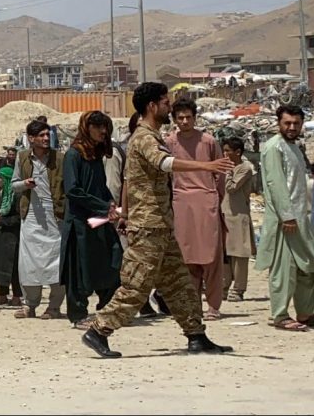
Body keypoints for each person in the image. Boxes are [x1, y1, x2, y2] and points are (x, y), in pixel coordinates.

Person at [82, 82, 234, 359]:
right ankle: (98, 330)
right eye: (165, 103)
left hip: (161, 226)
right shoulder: (143, 137)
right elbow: (164, 163)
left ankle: (196, 335)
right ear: (152, 106)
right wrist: (206, 166)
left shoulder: (152, 135)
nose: (169, 107)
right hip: (147, 227)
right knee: (137, 285)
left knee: (180, 284)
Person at [60, 111, 123, 328]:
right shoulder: (74, 155)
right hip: (80, 223)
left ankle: (106, 310)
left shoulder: (95, 155)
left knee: (113, 261)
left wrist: (110, 203)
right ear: (87, 128)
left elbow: (100, 186)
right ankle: (78, 315)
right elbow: (72, 190)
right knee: (79, 270)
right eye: (97, 127)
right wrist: (103, 206)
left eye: (104, 127)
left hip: (99, 221)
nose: (102, 131)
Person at [167, 98, 227, 320]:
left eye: (188, 117)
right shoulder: (169, 143)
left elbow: (220, 172)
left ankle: (213, 305)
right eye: (180, 118)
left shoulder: (208, 141)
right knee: (187, 257)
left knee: (211, 256)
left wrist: (216, 197)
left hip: (206, 200)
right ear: (174, 119)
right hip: (181, 203)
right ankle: (193, 305)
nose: (185, 121)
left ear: (195, 117)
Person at [257, 105, 314, 332]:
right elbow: (276, 184)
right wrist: (287, 216)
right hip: (286, 221)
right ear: (278, 123)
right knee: (284, 269)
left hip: (301, 219)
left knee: (307, 267)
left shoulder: (294, 147)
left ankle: (305, 312)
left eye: (296, 123)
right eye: (287, 123)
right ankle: (280, 315)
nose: (291, 127)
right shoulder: (274, 147)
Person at [12, 120, 66, 320]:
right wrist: (25, 184)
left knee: (56, 262)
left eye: (47, 134)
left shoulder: (59, 158)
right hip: (31, 216)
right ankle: (30, 304)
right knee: (29, 263)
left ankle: (54, 307)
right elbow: (14, 184)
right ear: (31, 138)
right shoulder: (22, 158)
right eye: (41, 135)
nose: (45, 138)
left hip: (55, 217)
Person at [220, 137, 255, 302]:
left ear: (238, 152)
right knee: (225, 254)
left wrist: (227, 171)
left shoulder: (245, 168)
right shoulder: (226, 167)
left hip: (239, 216)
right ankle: (223, 287)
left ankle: (238, 289)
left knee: (240, 254)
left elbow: (231, 187)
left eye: (228, 151)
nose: (225, 154)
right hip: (224, 214)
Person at [0, 164, 23, 307]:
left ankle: (16, 297)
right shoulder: (3, 194)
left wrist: (1, 220)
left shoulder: (17, 196)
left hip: (13, 237)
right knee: (0, 267)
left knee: (14, 269)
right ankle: (2, 296)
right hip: (2, 235)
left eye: (1, 178)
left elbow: (19, 218)